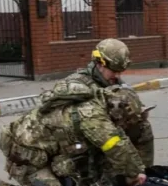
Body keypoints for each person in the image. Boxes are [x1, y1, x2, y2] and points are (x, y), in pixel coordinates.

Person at [0, 83, 149, 186]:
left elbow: (121, 141)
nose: (126, 123)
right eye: (126, 119)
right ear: (118, 109)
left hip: (51, 153)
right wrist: (135, 174)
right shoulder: (92, 116)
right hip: (25, 156)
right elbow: (116, 147)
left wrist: (138, 168)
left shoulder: (99, 104)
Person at [37, 38, 154, 166]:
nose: (118, 76)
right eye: (114, 71)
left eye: (120, 72)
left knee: (142, 127)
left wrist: (136, 113)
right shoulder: (75, 85)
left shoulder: (114, 82)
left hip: (103, 130)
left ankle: (144, 173)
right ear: (99, 64)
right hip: (78, 139)